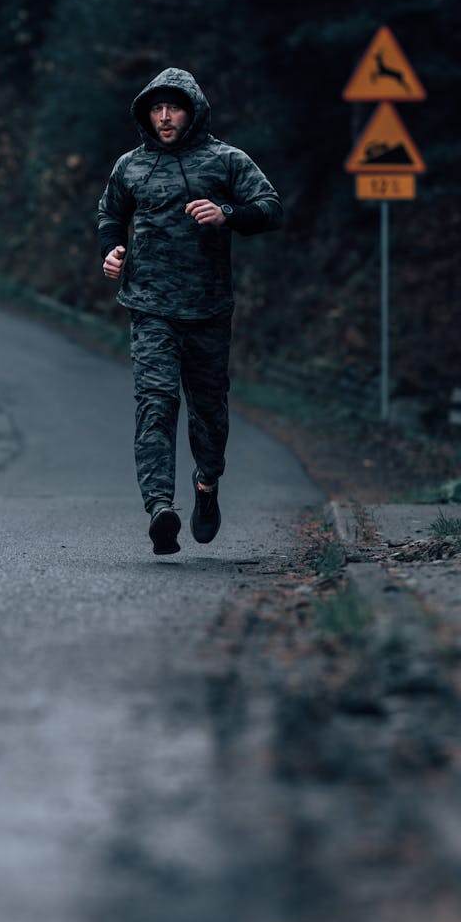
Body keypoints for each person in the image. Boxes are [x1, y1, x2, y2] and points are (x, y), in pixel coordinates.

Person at [98, 67, 283, 556]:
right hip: (149, 308)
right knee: (155, 405)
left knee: (207, 413)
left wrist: (228, 215)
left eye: (173, 107)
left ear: (192, 110)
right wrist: (112, 249)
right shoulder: (130, 166)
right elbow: (110, 213)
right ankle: (160, 508)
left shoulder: (226, 161)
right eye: (156, 108)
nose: (164, 117)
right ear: (145, 113)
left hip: (208, 309)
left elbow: (270, 207)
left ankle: (206, 485)